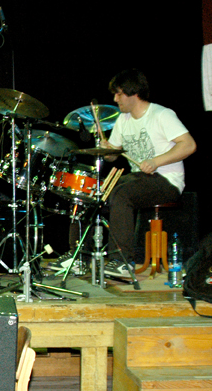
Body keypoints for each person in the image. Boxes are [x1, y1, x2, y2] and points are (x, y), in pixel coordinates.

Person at [49, 69, 196, 278]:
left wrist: (156, 161)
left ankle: (122, 261)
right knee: (89, 191)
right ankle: (78, 257)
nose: (115, 99)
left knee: (121, 195)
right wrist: (106, 149)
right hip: (139, 179)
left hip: (167, 180)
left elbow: (189, 145)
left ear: (133, 92)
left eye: (118, 94)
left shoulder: (162, 115)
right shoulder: (123, 120)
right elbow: (112, 156)